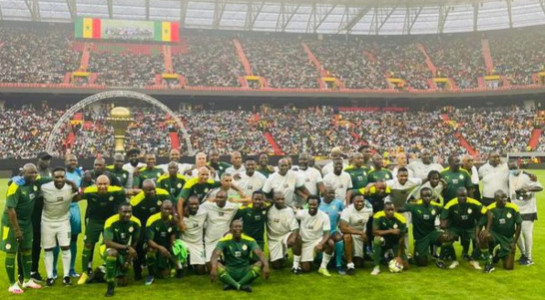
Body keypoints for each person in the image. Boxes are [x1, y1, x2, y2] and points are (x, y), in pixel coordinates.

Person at [2, 164, 46, 294]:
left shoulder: (35, 184)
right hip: (12, 224)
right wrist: (16, 229)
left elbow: (49, 180)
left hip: (27, 224)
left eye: (35, 173)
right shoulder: (15, 186)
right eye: (30, 173)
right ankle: (12, 284)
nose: (33, 175)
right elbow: (11, 209)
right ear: (23, 172)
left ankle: (27, 280)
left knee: (27, 250)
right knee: (11, 251)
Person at [78, 175, 126, 285]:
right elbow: (77, 197)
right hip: (94, 220)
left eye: (105, 184)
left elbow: (128, 192)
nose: (103, 186)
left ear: (109, 184)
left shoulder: (116, 190)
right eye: (100, 184)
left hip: (108, 221)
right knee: (88, 244)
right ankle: (84, 272)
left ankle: (110, 269)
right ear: (96, 184)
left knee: (109, 245)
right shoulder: (90, 190)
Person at [40, 167, 80, 286]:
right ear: (52, 177)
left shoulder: (70, 188)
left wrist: (74, 185)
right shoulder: (45, 187)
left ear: (65, 177)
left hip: (63, 221)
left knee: (66, 247)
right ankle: (49, 277)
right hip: (47, 222)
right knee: (48, 249)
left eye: (62, 177)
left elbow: (78, 196)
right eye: (57, 177)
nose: (59, 179)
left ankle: (66, 276)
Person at [129, 179, 173, 280]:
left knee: (162, 242)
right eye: (148, 190)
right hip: (142, 225)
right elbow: (132, 218)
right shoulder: (136, 202)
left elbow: (171, 207)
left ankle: (160, 267)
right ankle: (137, 271)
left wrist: (173, 217)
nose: (152, 192)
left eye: (153, 189)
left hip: (158, 222)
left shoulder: (163, 194)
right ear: (142, 190)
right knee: (139, 245)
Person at [210, 220, 270, 293]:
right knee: (217, 264)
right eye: (235, 227)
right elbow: (215, 255)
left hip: (245, 271)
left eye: (240, 227)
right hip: (229, 271)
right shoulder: (224, 241)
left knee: (261, 262)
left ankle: (233, 284)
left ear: (242, 229)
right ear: (231, 229)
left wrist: (266, 266)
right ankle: (241, 285)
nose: (238, 229)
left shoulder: (249, 240)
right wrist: (213, 268)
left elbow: (259, 253)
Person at [440, 187, 486, 270]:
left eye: (464, 196)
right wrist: (446, 231)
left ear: (467, 195)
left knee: (481, 239)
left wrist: (480, 225)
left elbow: (487, 212)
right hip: (455, 227)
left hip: (471, 227)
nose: (462, 198)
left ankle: (474, 260)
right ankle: (454, 260)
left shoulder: (473, 202)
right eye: (460, 196)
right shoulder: (450, 204)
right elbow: (443, 219)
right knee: (447, 239)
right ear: (456, 196)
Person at [477, 190, 522, 273]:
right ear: (495, 199)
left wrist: (514, 242)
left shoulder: (513, 208)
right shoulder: (490, 208)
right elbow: (480, 224)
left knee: (509, 267)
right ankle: (489, 260)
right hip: (494, 235)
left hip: (508, 237)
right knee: (484, 235)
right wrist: (477, 237)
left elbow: (519, 225)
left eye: (505, 197)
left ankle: (498, 254)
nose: (505, 199)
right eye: (502, 197)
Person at [101, 203, 141, 297]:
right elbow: (108, 243)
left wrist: (127, 261)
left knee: (123, 283)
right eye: (124, 212)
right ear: (118, 211)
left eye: (129, 212)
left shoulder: (136, 222)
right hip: (107, 248)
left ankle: (101, 272)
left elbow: (134, 244)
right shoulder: (110, 221)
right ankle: (110, 286)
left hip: (123, 249)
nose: (127, 214)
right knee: (112, 253)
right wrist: (127, 248)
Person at [508, 161, 543, 265]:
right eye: (511, 169)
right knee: (516, 233)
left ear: (519, 167)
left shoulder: (527, 176)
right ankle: (523, 254)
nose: (513, 170)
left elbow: (540, 187)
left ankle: (529, 257)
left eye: (514, 168)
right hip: (515, 209)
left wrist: (527, 188)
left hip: (528, 209)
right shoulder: (509, 176)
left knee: (526, 233)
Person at [403, 188, 449, 267]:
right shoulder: (414, 206)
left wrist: (443, 222)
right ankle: (420, 252)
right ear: (421, 196)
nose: (427, 198)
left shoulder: (436, 206)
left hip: (432, 234)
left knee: (447, 237)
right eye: (425, 196)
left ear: (432, 197)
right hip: (420, 238)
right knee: (422, 263)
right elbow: (400, 208)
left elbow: (446, 211)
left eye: (429, 196)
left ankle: (440, 258)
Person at [294, 196, 333, 277]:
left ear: (318, 204)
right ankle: (298, 264)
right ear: (307, 204)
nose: (312, 206)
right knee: (306, 269)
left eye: (314, 204)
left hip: (317, 240)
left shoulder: (324, 216)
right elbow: (292, 217)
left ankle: (323, 267)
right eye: (310, 204)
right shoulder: (301, 213)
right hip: (305, 242)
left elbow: (327, 233)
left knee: (330, 243)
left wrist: (321, 243)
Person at [145, 200, 182, 285]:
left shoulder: (172, 219)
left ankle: (176, 266)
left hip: (166, 245)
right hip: (154, 246)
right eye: (165, 209)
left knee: (163, 275)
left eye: (169, 209)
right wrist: (160, 248)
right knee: (150, 251)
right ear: (161, 208)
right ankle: (150, 275)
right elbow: (149, 240)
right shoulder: (152, 219)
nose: (167, 211)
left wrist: (172, 244)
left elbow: (173, 233)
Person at [201, 190, 239, 270]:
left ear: (226, 198)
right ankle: (219, 261)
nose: (219, 199)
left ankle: (225, 259)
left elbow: (248, 203)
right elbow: (195, 206)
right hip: (210, 240)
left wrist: (231, 231)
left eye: (221, 198)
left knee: (233, 265)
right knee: (210, 267)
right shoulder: (208, 206)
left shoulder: (233, 207)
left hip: (225, 239)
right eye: (217, 197)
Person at [371, 201, 408, 275]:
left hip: (396, 242)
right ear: (384, 210)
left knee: (406, 266)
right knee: (377, 240)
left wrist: (399, 256)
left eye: (392, 210)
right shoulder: (378, 216)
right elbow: (374, 232)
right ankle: (376, 267)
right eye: (388, 210)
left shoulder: (401, 219)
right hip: (384, 240)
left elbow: (402, 238)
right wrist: (391, 231)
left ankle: (390, 257)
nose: (391, 212)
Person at [267, 192, 301, 272]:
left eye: (282, 199)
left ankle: (295, 266)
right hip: (273, 239)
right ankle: (282, 255)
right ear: (273, 200)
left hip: (285, 235)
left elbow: (295, 227)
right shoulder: (268, 209)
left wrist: (293, 237)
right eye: (278, 199)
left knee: (297, 238)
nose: (280, 201)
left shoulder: (289, 211)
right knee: (276, 266)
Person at [339, 194, 373, 275]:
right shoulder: (347, 210)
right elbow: (343, 228)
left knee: (359, 264)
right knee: (347, 237)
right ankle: (350, 265)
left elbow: (371, 223)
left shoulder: (369, 210)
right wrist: (360, 233)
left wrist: (368, 238)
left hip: (360, 236)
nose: (360, 203)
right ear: (353, 202)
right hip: (349, 233)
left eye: (361, 201)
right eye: (357, 201)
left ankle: (347, 257)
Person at [62, 154, 83, 277]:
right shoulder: (61, 174)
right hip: (61, 208)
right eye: (70, 159)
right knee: (58, 239)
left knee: (74, 239)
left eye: (75, 159)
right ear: (65, 161)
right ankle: (53, 271)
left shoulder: (80, 174)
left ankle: (71, 269)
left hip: (74, 208)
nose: (73, 161)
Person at [319, 188, 345, 274]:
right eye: (329, 193)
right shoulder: (318, 201)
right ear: (323, 193)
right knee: (330, 243)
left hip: (333, 230)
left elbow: (345, 213)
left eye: (333, 193)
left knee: (339, 239)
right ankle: (321, 261)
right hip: (319, 231)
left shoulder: (338, 203)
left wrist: (340, 220)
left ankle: (338, 264)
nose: (332, 195)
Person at [180, 195, 207, 275]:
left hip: (197, 243)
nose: (194, 206)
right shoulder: (182, 216)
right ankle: (184, 264)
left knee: (200, 271)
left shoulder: (203, 213)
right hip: (185, 242)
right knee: (183, 273)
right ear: (187, 205)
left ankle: (193, 264)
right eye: (191, 204)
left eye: (196, 204)